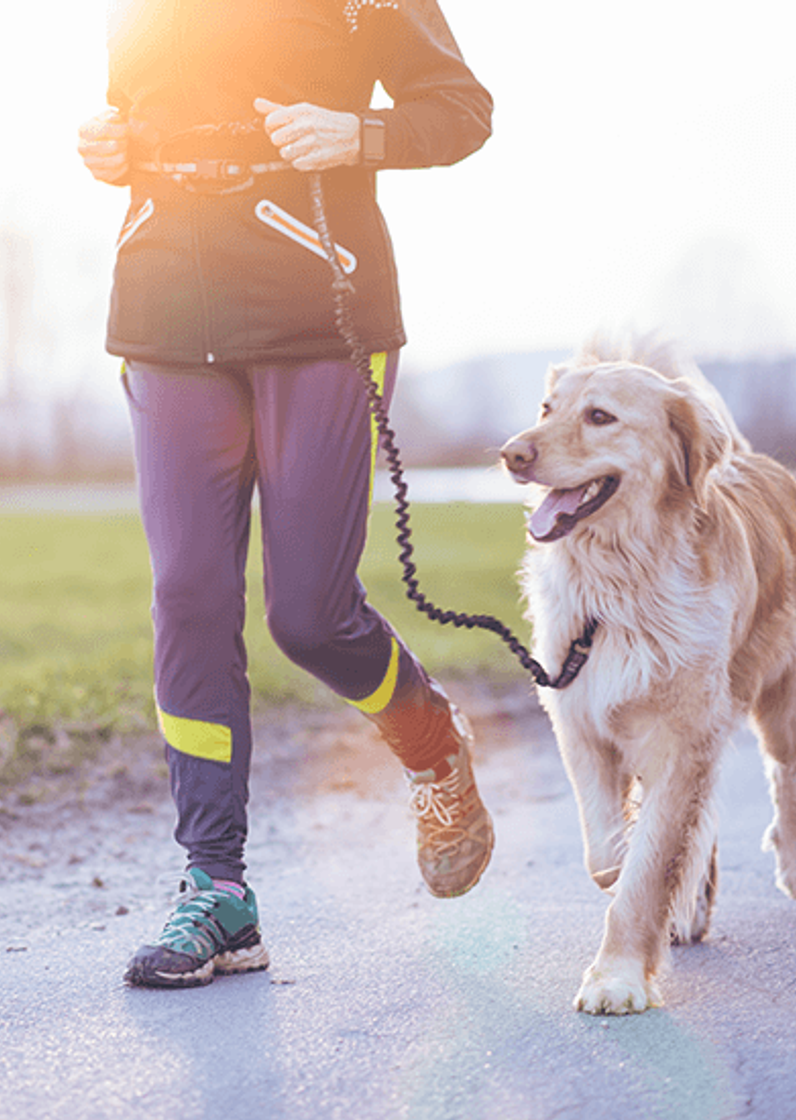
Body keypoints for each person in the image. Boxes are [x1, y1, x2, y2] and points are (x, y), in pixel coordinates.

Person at [77, 0, 495, 988]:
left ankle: (433, 745)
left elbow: (463, 108)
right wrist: (110, 143)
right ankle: (214, 885)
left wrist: (366, 133)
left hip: (321, 305)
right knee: (188, 592)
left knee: (309, 613)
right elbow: (135, 111)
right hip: (167, 309)